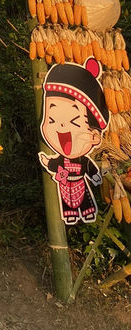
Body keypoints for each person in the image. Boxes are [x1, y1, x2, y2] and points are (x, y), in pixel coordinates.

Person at [38, 56, 109, 225]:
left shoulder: (83, 159)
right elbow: (55, 164)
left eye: (74, 122)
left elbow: (89, 166)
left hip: (80, 183)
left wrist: (95, 176)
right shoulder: (62, 158)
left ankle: (86, 212)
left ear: (94, 136)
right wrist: (48, 162)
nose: (61, 126)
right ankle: (71, 214)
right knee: (67, 202)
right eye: (52, 120)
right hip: (65, 186)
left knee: (85, 201)